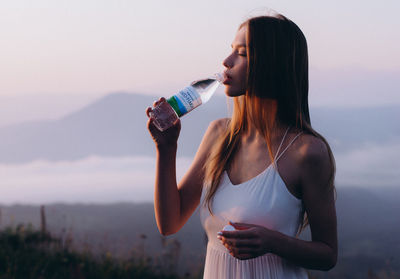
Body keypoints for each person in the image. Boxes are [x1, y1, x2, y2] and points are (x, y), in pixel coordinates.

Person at [146, 13, 337, 279]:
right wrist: (166, 149)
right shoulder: (218, 134)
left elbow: (327, 254)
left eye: (242, 53)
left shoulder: (307, 152)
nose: (226, 62)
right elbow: (169, 222)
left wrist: (272, 242)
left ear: (272, 64)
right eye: (231, 50)